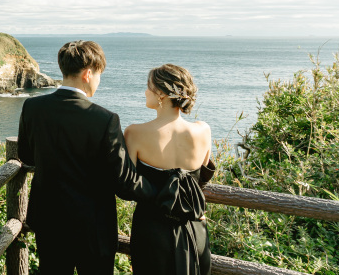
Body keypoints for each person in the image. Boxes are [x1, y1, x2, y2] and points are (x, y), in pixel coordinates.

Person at [17, 40, 156, 275]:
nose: (99, 81)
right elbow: (123, 183)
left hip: (49, 222)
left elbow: (26, 156)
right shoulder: (105, 119)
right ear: (88, 74)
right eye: (99, 75)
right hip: (94, 229)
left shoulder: (32, 107)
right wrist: (162, 189)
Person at [124, 64, 215, 275]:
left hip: (152, 231)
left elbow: (128, 184)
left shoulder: (135, 133)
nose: (145, 92)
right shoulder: (203, 130)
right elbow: (200, 180)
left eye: (148, 87)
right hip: (194, 228)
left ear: (161, 94)